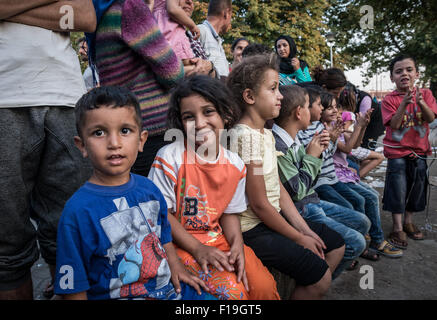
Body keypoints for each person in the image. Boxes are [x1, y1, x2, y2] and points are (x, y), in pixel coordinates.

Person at [53, 86, 215, 300]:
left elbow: (163, 233)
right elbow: (74, 288)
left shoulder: (149, 189)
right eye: (99, 133)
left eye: (125, 131)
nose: (114, 143)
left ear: (141, 140)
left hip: (167, 290)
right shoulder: (77, 212)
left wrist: (177, 267)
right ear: (81, 145)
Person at [148, 75, 280, 300]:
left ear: (226, 115)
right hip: (178, 244)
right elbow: (162, 216)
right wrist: (198, 249)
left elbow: (229, 213)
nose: (199, 123)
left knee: (264, 288)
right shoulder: (170, 157)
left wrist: (237, 245)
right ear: (181, 123)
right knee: (235, 292)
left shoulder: (235, 164)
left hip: (218, 240)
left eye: (208, 112)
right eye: (189, 117)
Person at [227, 54, 345, 300]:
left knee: (335, 244)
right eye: (273, 89)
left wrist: (304, 229)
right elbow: (259, 204)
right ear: (249, 97)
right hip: (252, 229)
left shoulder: (264, 133)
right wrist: (298, 237)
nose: (280, 95)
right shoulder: (245, 137)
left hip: (273, 218)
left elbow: (278, 189)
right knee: (319, 274)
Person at [0, 0, 95, 300]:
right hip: (4, 97)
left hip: (65, 98)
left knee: (71, 237)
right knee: (6, 247)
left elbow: (85, 18)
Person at [273, 85, 370, 277]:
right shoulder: (278, 145)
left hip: (312, 200)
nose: (316, 110)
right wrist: (312, 156)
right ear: (299, 112)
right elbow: (298, 191)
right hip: (302, 206)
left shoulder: (294, 140)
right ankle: (319, 282)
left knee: (362, 222)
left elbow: (311, 179)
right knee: (356, 242)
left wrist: (319, 152)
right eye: (312, 105)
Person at [91, 0, 184, 177]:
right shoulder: (129, 7)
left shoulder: (101, 12)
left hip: (126, 130)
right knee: (163, 200)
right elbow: (173, 74)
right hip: (156, 128)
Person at [381, 54, 437, 249]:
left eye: (408, 70)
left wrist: (420, 102)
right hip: (397, 153)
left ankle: (408, 221)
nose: (404, 74)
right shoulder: (389, 99)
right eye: (398, 71)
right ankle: (397, 227)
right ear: (392, 77)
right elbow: (394, 125)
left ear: (417, 74)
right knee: (398, 188)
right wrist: (404, 103)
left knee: (417, 187)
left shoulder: (427, 95)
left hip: (420, 152)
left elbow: (430, 118)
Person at [338, 88, 384, 179]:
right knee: (379, 157)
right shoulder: (349, 115)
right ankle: (356, 178)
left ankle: (355, 177)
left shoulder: (342, 114)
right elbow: (344, 134)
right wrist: (358, 128)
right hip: (349, 147)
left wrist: (360, 128)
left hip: (350, 145)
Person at [152, 0, 200, 73]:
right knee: (192, 67)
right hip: (170, 34)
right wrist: (192, 26)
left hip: (157, 34)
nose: (190, 1)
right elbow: (173, 9)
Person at [197, 0, 233, 78]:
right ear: (226, 13)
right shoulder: (200, 31)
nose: (230, 22)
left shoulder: (218, 43)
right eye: (231, 16)